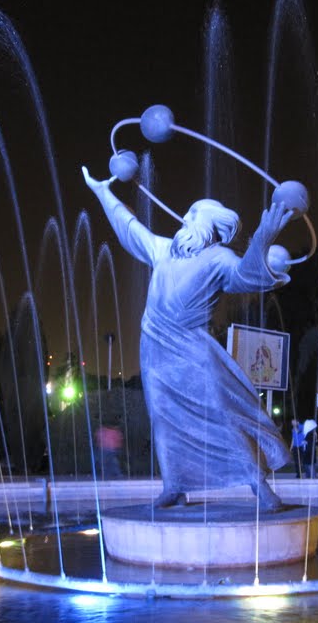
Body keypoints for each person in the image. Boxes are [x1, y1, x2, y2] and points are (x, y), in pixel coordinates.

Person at [83, 166, 293, 510]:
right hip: (154, 349)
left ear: (207, 222)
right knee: (163, 419)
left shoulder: (219, 258)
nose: (184, 216)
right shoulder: (164, 250)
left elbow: (247, 277)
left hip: (192, 348)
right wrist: (103, 192)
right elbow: (130, 230)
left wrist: (263, 238)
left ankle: (260, 487)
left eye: (192, 213)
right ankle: (174, 486)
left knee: (221, 413)